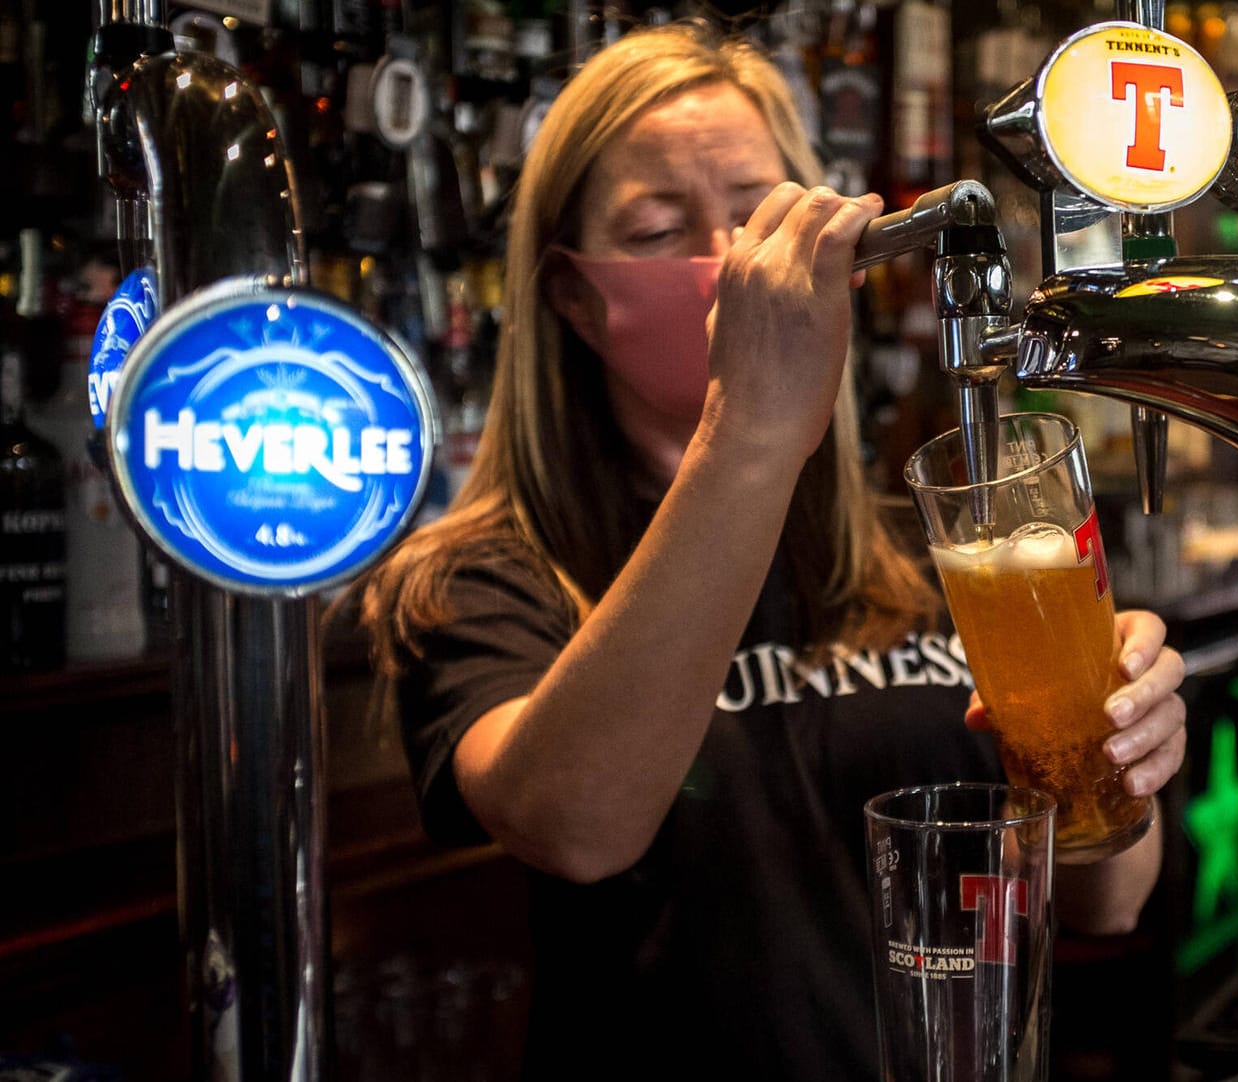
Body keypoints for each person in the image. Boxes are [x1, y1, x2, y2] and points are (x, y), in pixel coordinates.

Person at [352, 21, 1188, 1078]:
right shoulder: (483, 575)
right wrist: (747, 425)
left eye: (757, 218)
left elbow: (1108, 895)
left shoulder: (929, 546)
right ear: (568, 295)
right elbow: (574, 823)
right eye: (659, 229)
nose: (726, 260)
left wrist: (1128, 746)